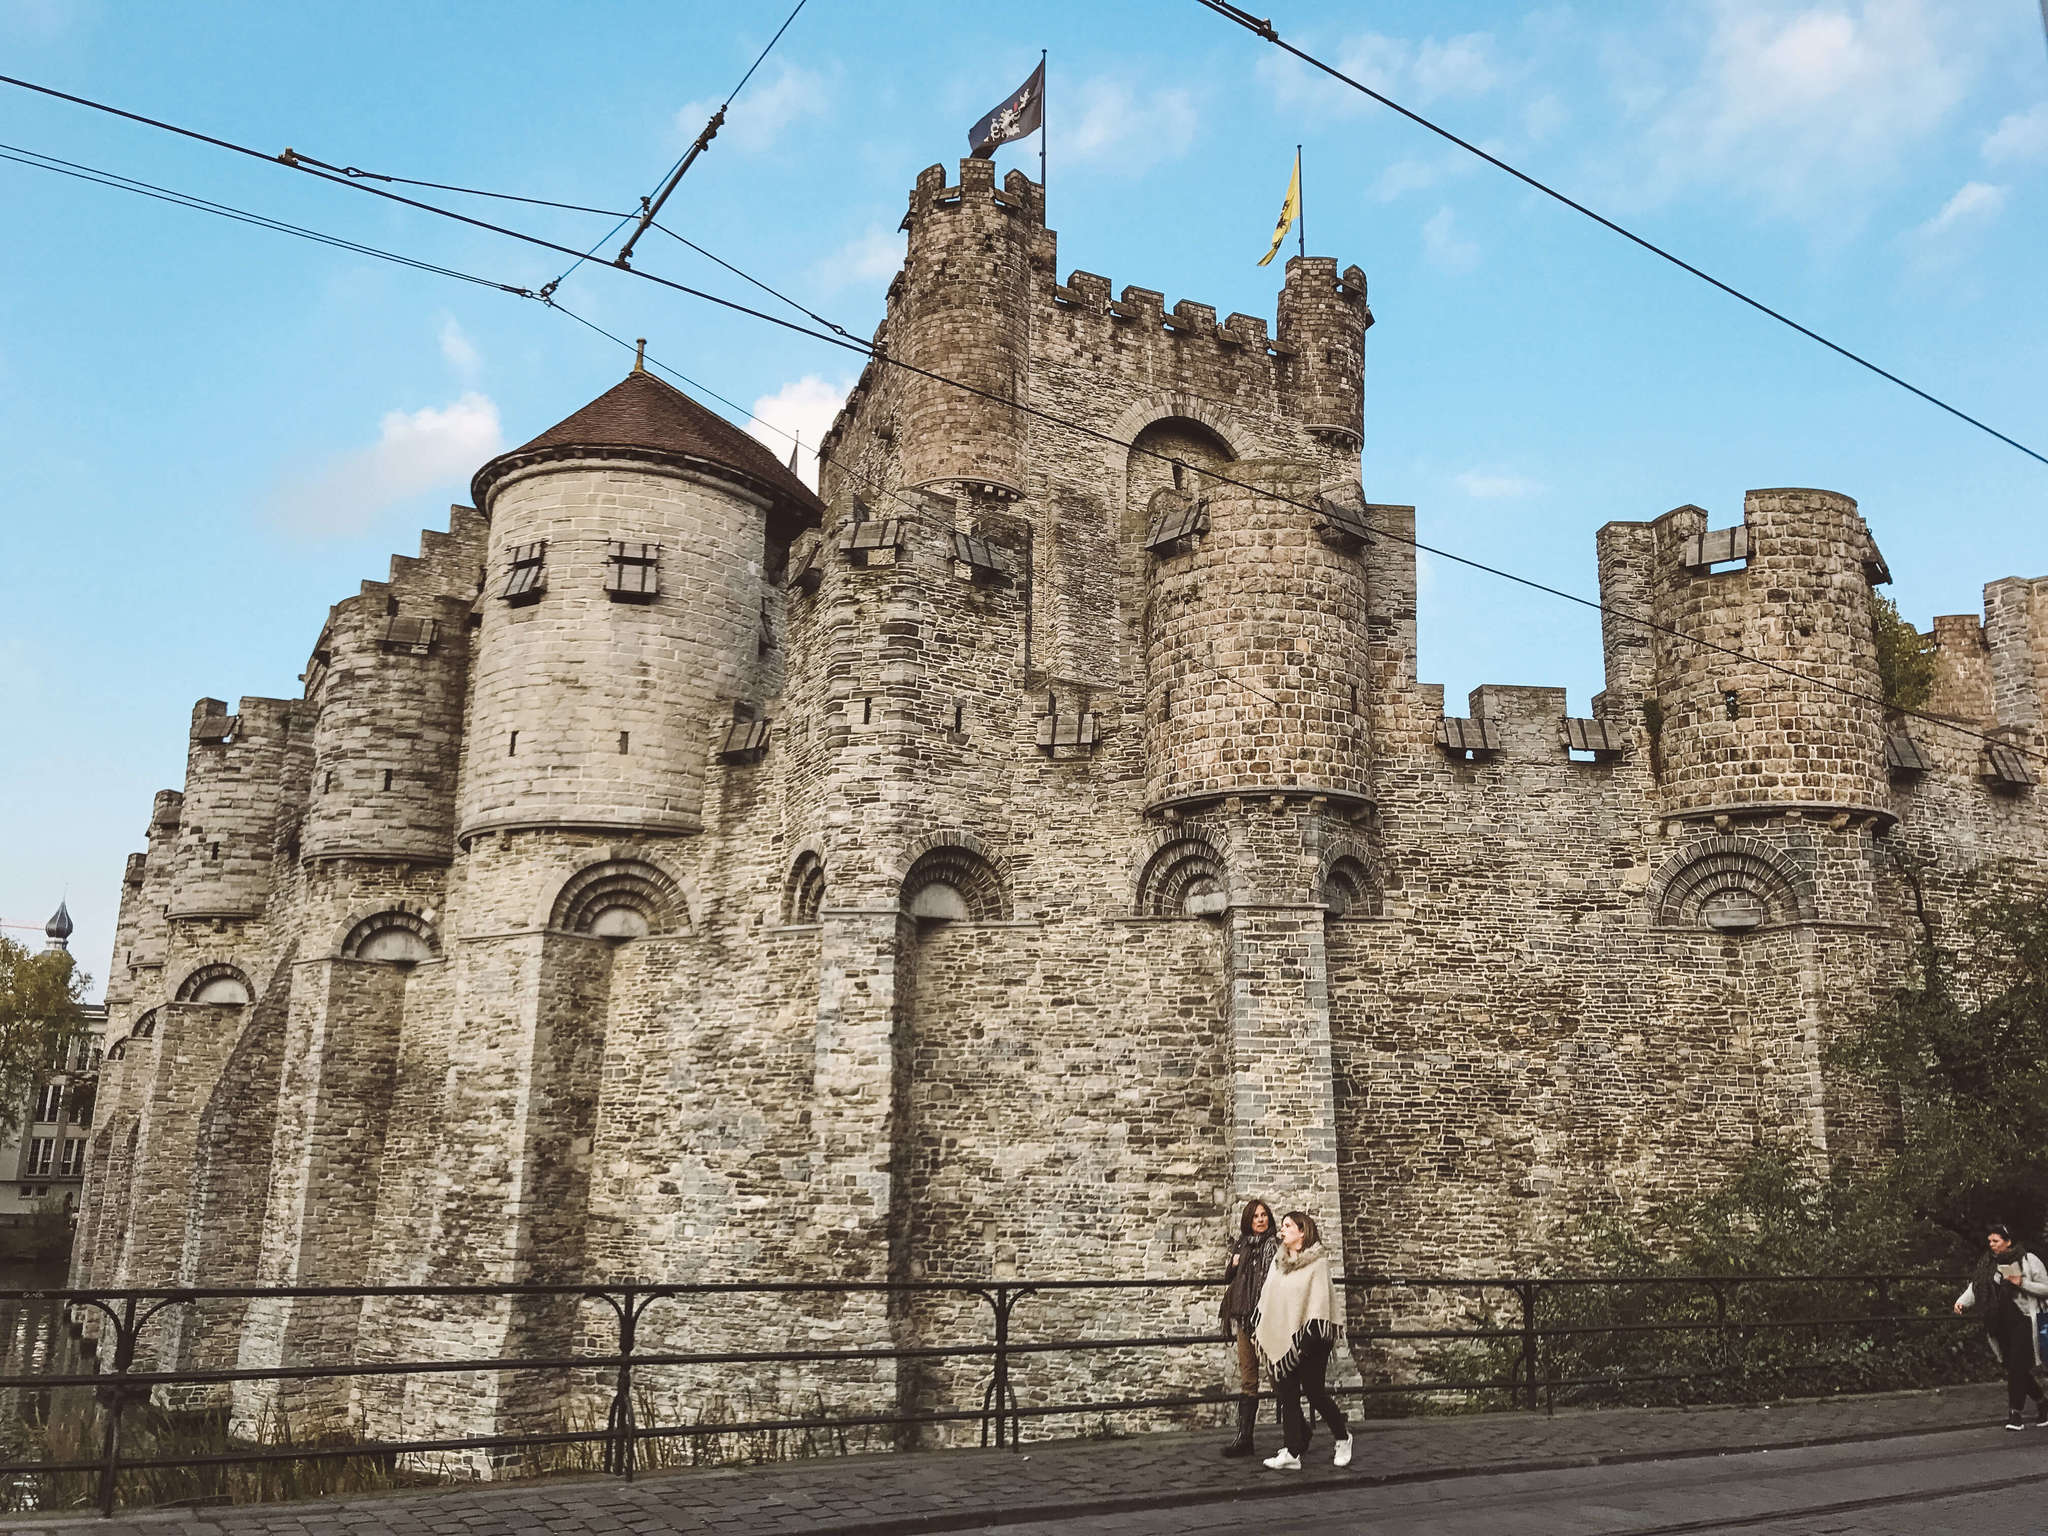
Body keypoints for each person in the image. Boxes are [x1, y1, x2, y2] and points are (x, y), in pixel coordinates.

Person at [1252, 1210, 1354, 1471]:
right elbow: (1270, 1297)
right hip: (1285, 1336)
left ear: (1302, 1231)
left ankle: (1343, 1437)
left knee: (1315, 1393)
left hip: (1313, 1339)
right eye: (1283, 1226)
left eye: (1287, 1226)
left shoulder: (1316, 1264)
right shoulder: (1280, 1262)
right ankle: (1292, 1451)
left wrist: (1305, 1340)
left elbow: (1319, 1305)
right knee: (1287, 1395)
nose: (1281, 1230)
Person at [1953, 1222, 2048, 1429]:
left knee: (2017, 1366)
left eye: (1996, 1241)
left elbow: (2046, 1289)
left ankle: (2015, 1414)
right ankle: (2042, 1403)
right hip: (1999, 1321)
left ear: (2008, 1242)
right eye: (1990, 1241)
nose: (1992, 1245)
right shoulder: (1988, 1263)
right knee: (2013, 1367)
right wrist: (1961, 1301)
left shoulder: (2028, 1260)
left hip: (2023, 1320)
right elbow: (1976, 1286)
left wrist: (2021, 1283)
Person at [1219, 1199, 1279, 1458]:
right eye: (1256, 1216)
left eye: (1264, 1215)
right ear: (1248, 1220)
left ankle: (1297, 1433)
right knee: (1248, 1378)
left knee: (1279, 1378)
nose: (1261, 1219)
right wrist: (1233, 1265)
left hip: (1267, 1319)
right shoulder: (1242, 1244)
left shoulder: (1273, 1245)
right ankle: (1245, 1439)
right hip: (1244, 1319)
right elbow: (1227, 1278)